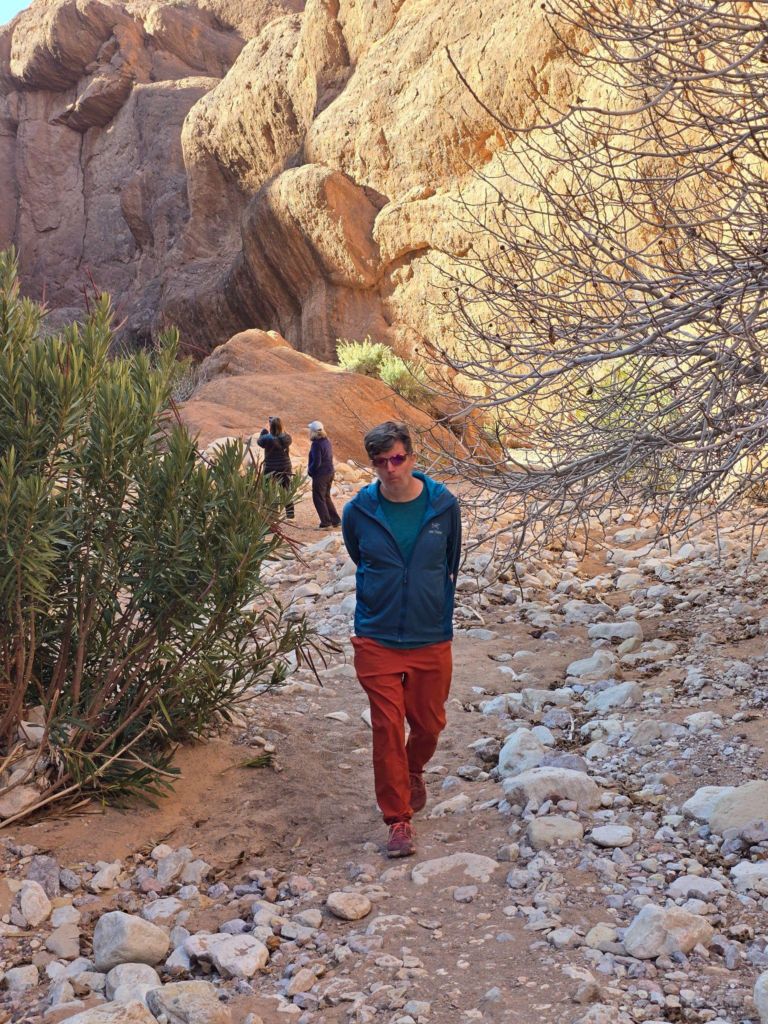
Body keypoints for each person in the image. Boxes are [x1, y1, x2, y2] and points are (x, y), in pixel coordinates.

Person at [341, 421, 461, 857]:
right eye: (380, 462)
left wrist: (433, 606)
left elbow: (450, 563)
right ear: (372, 465)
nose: (390, 469)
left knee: (429, 724)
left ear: (411, 456)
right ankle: (398, 821)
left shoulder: (444, 506)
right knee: (387, 728)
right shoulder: (359, 511)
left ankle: (414, 768)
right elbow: (359, 556)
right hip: (376, 635)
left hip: (431, 634)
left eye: (397, 458)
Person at [257, 416, 295, 520]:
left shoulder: (267, 439)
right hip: (285, 467)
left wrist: (265, 429)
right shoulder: (287, 438)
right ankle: (290, 515)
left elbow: (259, 442)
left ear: (271, 426)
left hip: (270, 468)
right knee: (287, 490)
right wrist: (281, 429)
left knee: (271, 491)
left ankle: (272, 515)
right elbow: (284, 435)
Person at [307, 420, 341, 529]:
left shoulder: (316, 444)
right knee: (326, 496)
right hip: (329, 472)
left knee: (318, 498)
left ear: (312, 432)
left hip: (321, 474)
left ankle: (326, 523)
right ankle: (335, 520)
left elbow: (317, 462)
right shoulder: (327, 440)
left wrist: (310, 470)